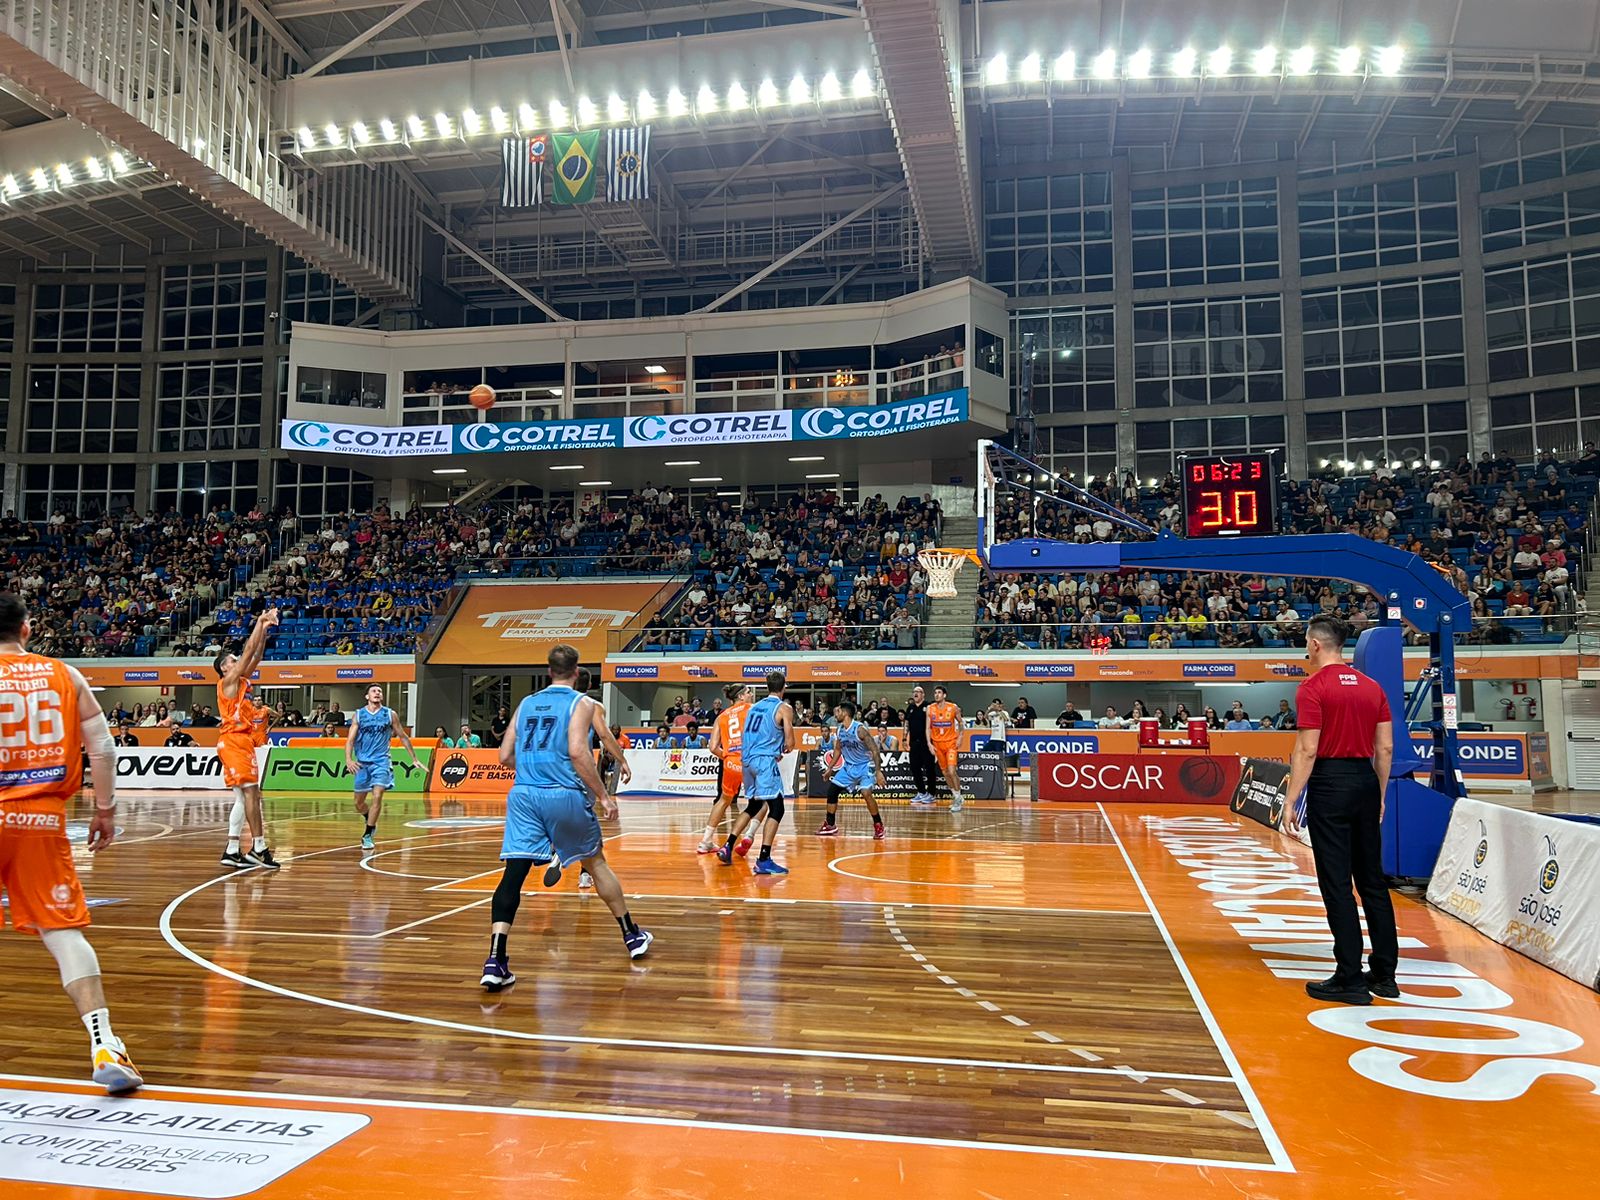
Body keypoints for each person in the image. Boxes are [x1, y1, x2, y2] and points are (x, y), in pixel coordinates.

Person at [0, 592, 142, 1093]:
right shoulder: (64, 674)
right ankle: (105, 1044)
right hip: (38, 817)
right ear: (27, 629)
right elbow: (102, 747)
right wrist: (104, 810)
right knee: (62, 933)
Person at [480, 643, 652, 992]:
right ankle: (632, 935)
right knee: (596, 863)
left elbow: (503, 755)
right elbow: (578, 751)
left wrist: (532, 769)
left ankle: (496, 960)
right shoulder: (583, 703)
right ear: (576, 672)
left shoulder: (527, 703)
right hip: (564, 794)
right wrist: (604, 796)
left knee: (513, 875)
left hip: (525, 794)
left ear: (548, 671)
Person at [1283, 616, 1398, 1006]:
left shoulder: (1312, 688)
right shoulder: (1372, 687)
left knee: (1336, 883)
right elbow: (1385, 749)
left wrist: (1291, 797)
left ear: (1315, 645)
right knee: (1372, 881)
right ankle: (1384, 974)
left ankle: (1349, 975)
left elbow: (1308, 749)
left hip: (1331, 783)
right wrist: (1379, 793)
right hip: (1365, 780)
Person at [215, 608, 280, 871]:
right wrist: (260, 621)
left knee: (245, 798)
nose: (238, 661)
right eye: (233, 659)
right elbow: (249, 650)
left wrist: (264, 631)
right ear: (225, 667)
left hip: (243, 742)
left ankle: (232, 850)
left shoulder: (240, 680)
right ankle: (259, 847)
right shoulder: (229, 681)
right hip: (233, 741)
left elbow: (257, 653)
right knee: (252, 793)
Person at [717, 670, 795, 875]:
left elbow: (748, 735)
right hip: (763, 761)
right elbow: (790, 743)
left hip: (746, 760)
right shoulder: (784, 708)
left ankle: (728, 845)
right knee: (777, 809)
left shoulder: (754, 708)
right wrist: (778, 751)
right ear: (783, 687)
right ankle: (764, 858)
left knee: (753, 805)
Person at [345, 685, 421, 852]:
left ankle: (368, 833)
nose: (377, 693)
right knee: (358, 803)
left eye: (379, 691)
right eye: (374, 691)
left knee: (377, 796)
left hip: (381, 762)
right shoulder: (359, 715)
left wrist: (414, 758)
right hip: (363, 763)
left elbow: (403, 736)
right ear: (367, 696)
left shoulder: (389, 714)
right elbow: (350, 740)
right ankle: (368, 817)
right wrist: (349, 759)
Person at [817, 700, 886, 839]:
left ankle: (878, 825)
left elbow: (875, 750)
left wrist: (878, 772)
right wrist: (830, 768)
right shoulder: (840, 729)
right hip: (848, 768)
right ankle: (830, 825)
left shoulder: (859, 730)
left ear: (845, 713)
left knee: (866, 793)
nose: (836, 714)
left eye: (838, 711)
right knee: (832, 791)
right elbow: (837, 750)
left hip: (864, 767)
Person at [699, 683, 752, 855]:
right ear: (741, 697)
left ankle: (705, 841)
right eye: (749, 692)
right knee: (763, 802)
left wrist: (729, 756)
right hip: (749, 761)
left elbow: (713, 747)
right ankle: (748, 837)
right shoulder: (751, 709)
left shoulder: (721, 717)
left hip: (730, 763)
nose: (751, 694)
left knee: (723, 801)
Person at [923, 685, 965, 812]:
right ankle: (956, 795)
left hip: (951, 743)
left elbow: (961, 723)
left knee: (952, 771)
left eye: (939, 693)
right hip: (937, 744)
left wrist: (960, 737)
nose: (936, 695)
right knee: (945, 772)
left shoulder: (953, 707)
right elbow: (927, 728)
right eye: (935, 693)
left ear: (944, 695)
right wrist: (929, 744)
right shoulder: (930, 709)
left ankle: (958, 798)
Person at [901, 685, 937, 806]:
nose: (915, 694)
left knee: (929, 768)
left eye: (918, 692)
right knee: (915, 768)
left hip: (927, 743)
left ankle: (931, 794)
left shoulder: (929, 707)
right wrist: (904, 737)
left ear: (923, 695)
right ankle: (921, 792)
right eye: (914, 692)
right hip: (914, 743)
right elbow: (906, 723)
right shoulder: (910, 708)